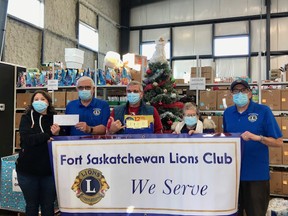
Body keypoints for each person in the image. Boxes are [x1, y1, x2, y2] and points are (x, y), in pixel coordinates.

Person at [223, 79, 283, 216]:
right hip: (233, 176)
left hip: (256, 176)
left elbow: (279, 142)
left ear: (250, 93)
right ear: (231, 94)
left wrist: (259, 138)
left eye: (243, 90)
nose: (239, 94)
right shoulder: (227, 113)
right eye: (236, 91)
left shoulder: (263, 111)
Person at [16, 90, 61, 216]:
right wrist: (47, 135)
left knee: (48, 205)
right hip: (27, 171)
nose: (39, 102)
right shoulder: (26, 118)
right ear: (32, 103)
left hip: (49, 172)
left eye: (43, 99)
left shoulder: (56, 118)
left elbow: (63, 139)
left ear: (48, 102)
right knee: (31, 205)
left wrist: (57, 134)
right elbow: (27, 139)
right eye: (36, 99)